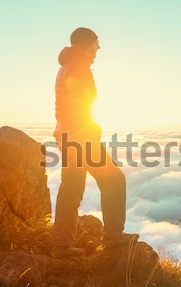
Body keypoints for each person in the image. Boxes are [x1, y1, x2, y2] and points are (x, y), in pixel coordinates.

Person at [51, 27, 137, 258]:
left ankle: (61, 246)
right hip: (80, 136)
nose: (98, 48)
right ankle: (113, 237)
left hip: (67, 135)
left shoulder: (67, 65)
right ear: (84, 44)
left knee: (71, 188)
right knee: (114, 180)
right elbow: (82, 106)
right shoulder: (79, 68)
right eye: (96, 43)